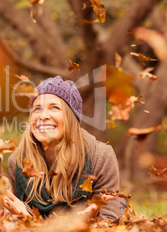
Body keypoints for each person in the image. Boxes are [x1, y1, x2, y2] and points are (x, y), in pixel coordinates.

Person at [8, 76, 123, 220]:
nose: (43, 116)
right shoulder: (18, 162)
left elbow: (111, 219)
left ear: (71, 116)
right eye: (37, 109)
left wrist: (88, 222)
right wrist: (26, 219)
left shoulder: (101, 156)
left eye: (54, 107)